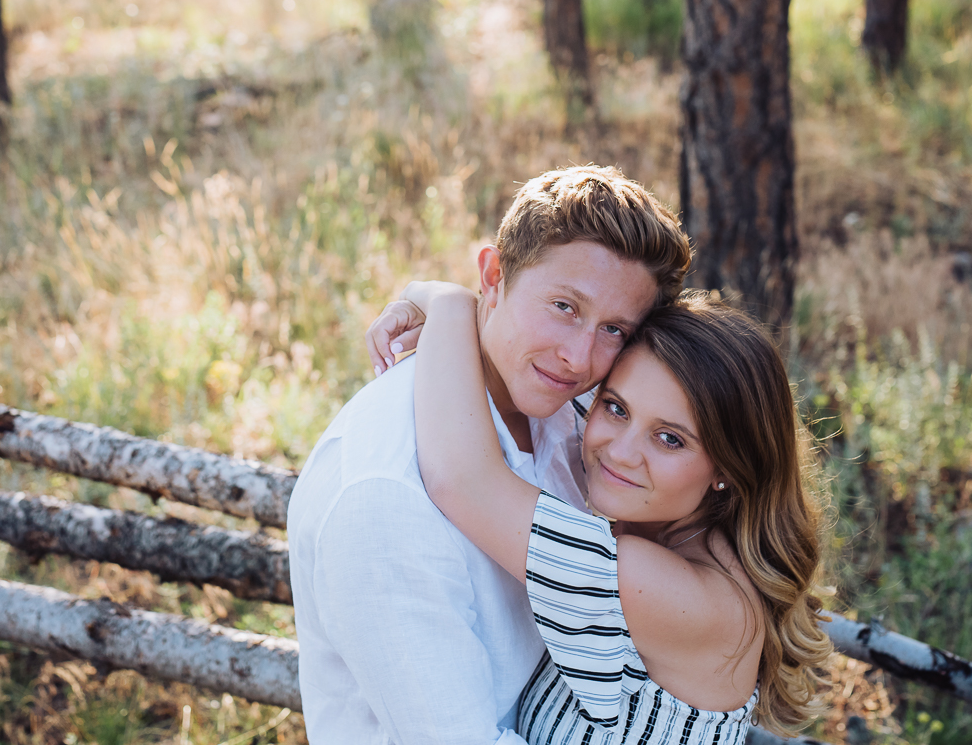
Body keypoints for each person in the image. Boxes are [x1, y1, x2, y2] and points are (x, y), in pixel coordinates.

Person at [287, 166, 692, 745]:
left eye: (614, 331)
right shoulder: (384, 496)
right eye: (564, 306)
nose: (579, 357)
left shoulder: (578, 421)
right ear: (494, 276)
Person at [402, 283, 830, 745]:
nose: (620, 452)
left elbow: (464, 482)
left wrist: (444, 301)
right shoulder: (687, 532)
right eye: (616, 408)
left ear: (726, 467)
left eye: (670, 439)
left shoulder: (667, 588)